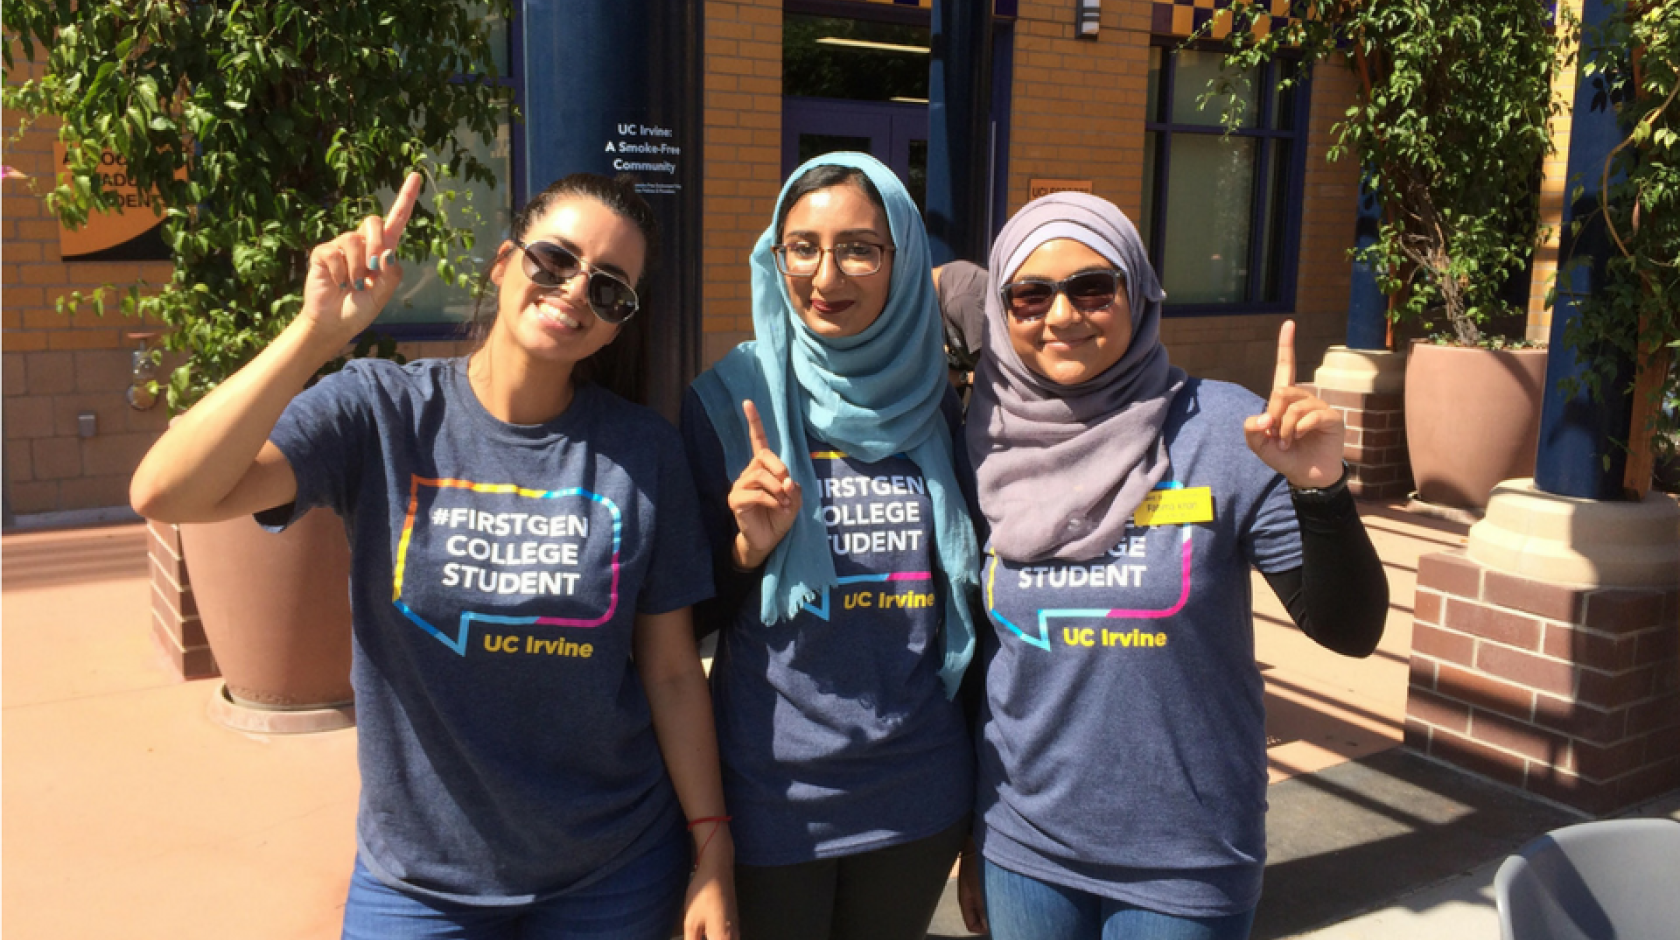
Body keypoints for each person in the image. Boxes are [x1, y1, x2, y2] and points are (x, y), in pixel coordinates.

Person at [130, 172, 736, 940]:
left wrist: (711, 847)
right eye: (556, 260)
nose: (578, 290)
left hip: (611, 870)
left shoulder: (641, 450)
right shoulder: (382, 411)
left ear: (619, 324)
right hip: (420, 881)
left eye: (611, 289)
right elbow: (166, 491)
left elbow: (674, 671)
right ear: (503, 262)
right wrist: (316, 334)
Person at [956, 192, 1389, 940]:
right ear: (1003, 313)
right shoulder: (985, 445)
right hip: (1024, 843)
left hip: (1186, 856)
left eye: (1092, 287)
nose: (1062, 316)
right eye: (1030, 295)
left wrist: (1321, 490)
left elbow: (1350, 630)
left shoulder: (1220, 428)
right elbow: (975, 658)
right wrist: (971, 830)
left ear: (1139, 293)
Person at [680, 152, 983, 940]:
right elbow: (681, 621)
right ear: (774, 256)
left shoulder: (943, 408)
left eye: (859, 248)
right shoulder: (726, 401)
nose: (825, 275)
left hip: (917, 793)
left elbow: (978, 617)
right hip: (773, 791)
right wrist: (747, 551)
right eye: (801, 247)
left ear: (902, 258)